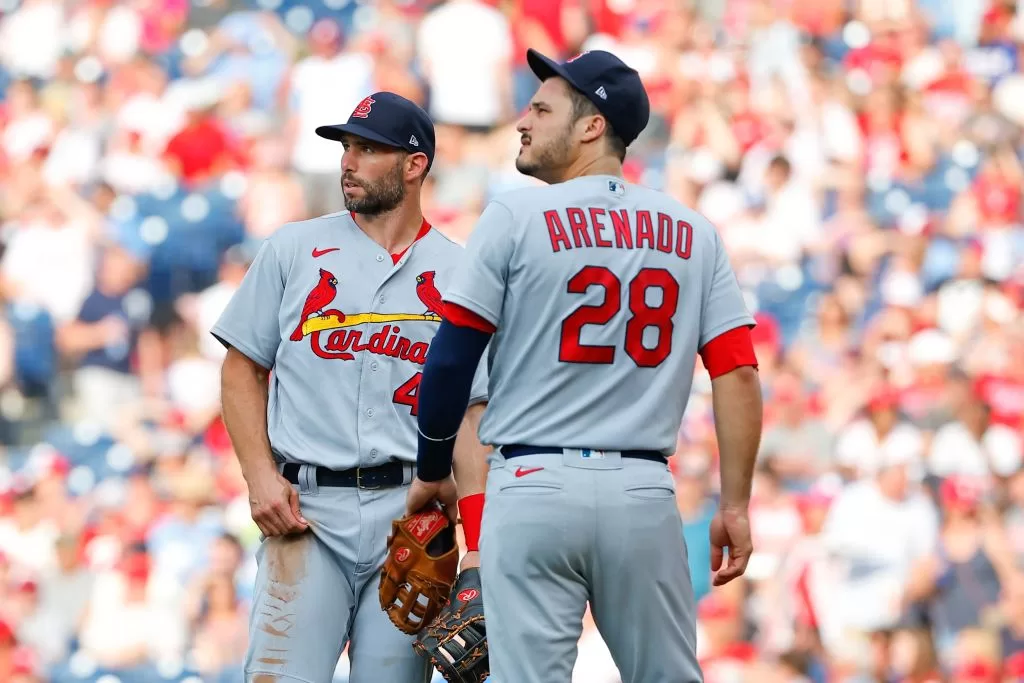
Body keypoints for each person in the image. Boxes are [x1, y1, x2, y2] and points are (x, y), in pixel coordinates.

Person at [405, 49, 764, 683]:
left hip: (533, 480)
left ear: (592, 125)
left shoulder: (515, 214)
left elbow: (453, 352)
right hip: (642, 490)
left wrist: (435, 467)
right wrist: (734, 504)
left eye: (542, 109)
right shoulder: (694, 230)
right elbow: (735, 372)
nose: (523, 120)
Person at [212, 91, 490, 683]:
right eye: (346, 148)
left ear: (415, 165)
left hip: (409, 518)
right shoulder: (294, 249)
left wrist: (478, 542)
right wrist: (260, 477)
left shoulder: (463, 273)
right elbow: (241, 368)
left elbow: (471, 415)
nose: (348, 161)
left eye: (368, 149)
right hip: (306, 509)